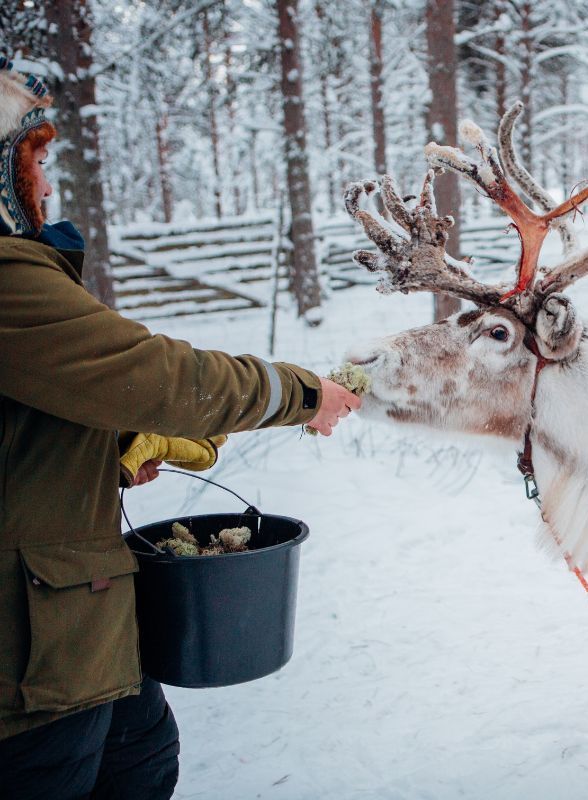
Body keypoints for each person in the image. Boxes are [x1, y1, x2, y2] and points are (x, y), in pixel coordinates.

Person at [0, 58, 361, 798]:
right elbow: (161, 379)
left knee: (142, 760)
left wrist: (105, 453)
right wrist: (298, 392)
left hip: (76, 630)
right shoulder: (5, 278)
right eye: (33, 159)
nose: (44, 183)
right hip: (29, 669)